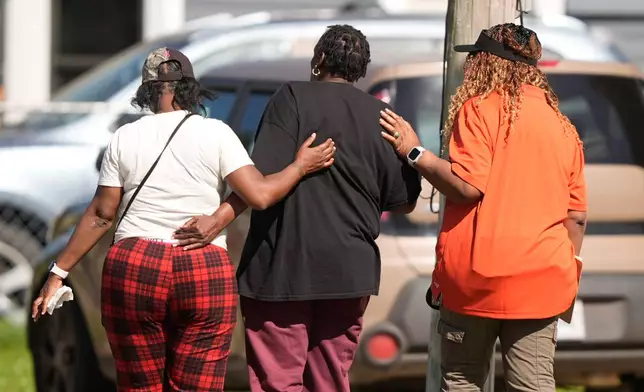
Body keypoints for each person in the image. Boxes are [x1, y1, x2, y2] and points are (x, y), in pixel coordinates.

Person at [31, 47, 335, 392]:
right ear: (191, 88)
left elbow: (102, 214)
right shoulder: (216, 133)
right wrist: (300, 166)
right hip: (202, 265)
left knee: (138, 384)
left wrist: (58, 273)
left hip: (134, 265)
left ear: (146, 90)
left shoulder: (125, 137)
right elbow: (260, 195)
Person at [173, 25, 422, 392]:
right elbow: (404, 202)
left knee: (278, 380)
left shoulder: (291, 97)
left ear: (319, 59)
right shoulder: (384, 117)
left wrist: (219, 218)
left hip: (283, 267)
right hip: (349, 273)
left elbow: (259, 182)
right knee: (330, 380)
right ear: (360, 70)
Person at [379, 23, 587, 392]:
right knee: (534, 385)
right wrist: (562, 272)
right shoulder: (563, 126)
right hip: (542, 281)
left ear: (487, 62)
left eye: (474, 57)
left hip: (475, 280)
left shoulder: (479, 109)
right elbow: (577, 216)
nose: (470, 65)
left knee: (462, 381)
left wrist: (415, 153)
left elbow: (468, 186)